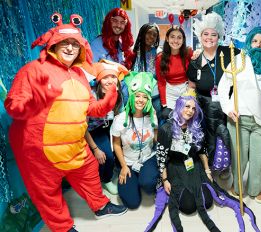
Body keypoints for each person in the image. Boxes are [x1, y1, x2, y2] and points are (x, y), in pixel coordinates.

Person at [4, 13, 127, 232]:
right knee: (47, 192)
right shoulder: (33, 70)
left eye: (75, 44)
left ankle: (100, 206)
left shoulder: (79, 75)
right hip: (41, 151)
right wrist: (35, 101)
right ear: (53, 44)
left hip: (75, 145)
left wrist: (109, 98)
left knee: (90, 171)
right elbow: (13, 105)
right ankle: (62, 227)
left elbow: (92, 109)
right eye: (65, 43)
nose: (70, 48)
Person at [147, 95, 259, 232]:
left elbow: (202, 150)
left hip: (194, 165)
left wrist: (207, 171)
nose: (190, 111)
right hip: (175, 167)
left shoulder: (195, 126)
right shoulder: (166, 129)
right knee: (188, 208)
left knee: (207, 202)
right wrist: (165, 180)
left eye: (193, 108)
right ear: (179, 107)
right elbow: (161, 157)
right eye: (187, 106)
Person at [218, 26, 261, 203]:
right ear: (249, 42)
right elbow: (223, 86)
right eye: (254, 41)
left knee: (260, 160)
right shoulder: (240, 61)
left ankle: (256, 188)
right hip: (240, 118)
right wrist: (229, 107)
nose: (258, 45)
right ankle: (237, 187)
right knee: (240, 158)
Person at [187, 12, 239, 171]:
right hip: (203, 107)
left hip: (227, 107)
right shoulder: (195, 61)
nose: (209, 37)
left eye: (213, 34)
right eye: (205, 34)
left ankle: (224, 167)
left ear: (219, 36)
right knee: (206, 139)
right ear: (200, 35)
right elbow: (191, 87)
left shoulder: (230, 53)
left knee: (224, 138)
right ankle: (209, 166)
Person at [111, 72, 159, 209]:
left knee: (149, 186)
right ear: (132, 97)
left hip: (148, 158)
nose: (141, 100)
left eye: (145, 97)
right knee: (132, 203)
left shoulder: (152, 116)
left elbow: (156, 138)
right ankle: (135, 179)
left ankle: (144, 178)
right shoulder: (120, 119)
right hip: (129, 162)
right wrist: (124, 166)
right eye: (137, 95)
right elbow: (116, 144)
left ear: (149, 100)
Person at [85, 59, 128, 195]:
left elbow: (119, 117)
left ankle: (114, 167)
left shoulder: (118, 94)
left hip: (109, 126)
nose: (110, 81)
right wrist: (95, 149)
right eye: (105, 77)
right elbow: (83, 127)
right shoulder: (90, 96)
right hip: (92, 130)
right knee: (106, 155)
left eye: (113, 77)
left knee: (120, 148)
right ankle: (106, 179)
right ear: (99, 80)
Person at [156, 26, 193, 114]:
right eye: (172, 37)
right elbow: (161, 82)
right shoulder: (160, 58)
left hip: (185, 91)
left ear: (183, 40)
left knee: (186, 119)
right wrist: (164, 103)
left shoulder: (188, 53)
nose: (176, 41)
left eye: (179, 37)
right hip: (170, 93)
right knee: (170, 119)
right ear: (167, 39)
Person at [131, 23, 162, 124]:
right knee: (139, 124)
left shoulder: (158, 52)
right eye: (149, 33)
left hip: (155, 96)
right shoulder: (133, 52)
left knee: (156, 123)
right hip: (138, 97)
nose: (151, 37)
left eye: (154, 35)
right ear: (142, 34)